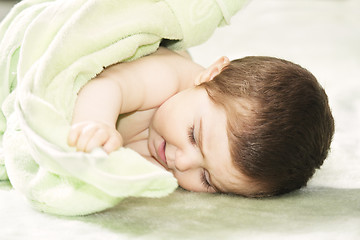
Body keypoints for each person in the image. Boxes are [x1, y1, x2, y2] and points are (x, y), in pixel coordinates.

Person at [67, 47, 334, 197]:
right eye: (193, 135)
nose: (182, 163)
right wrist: (97, 122)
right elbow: (108, 85)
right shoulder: (167, 77)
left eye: (206, 179)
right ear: (211, 75)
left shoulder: (178, 150)